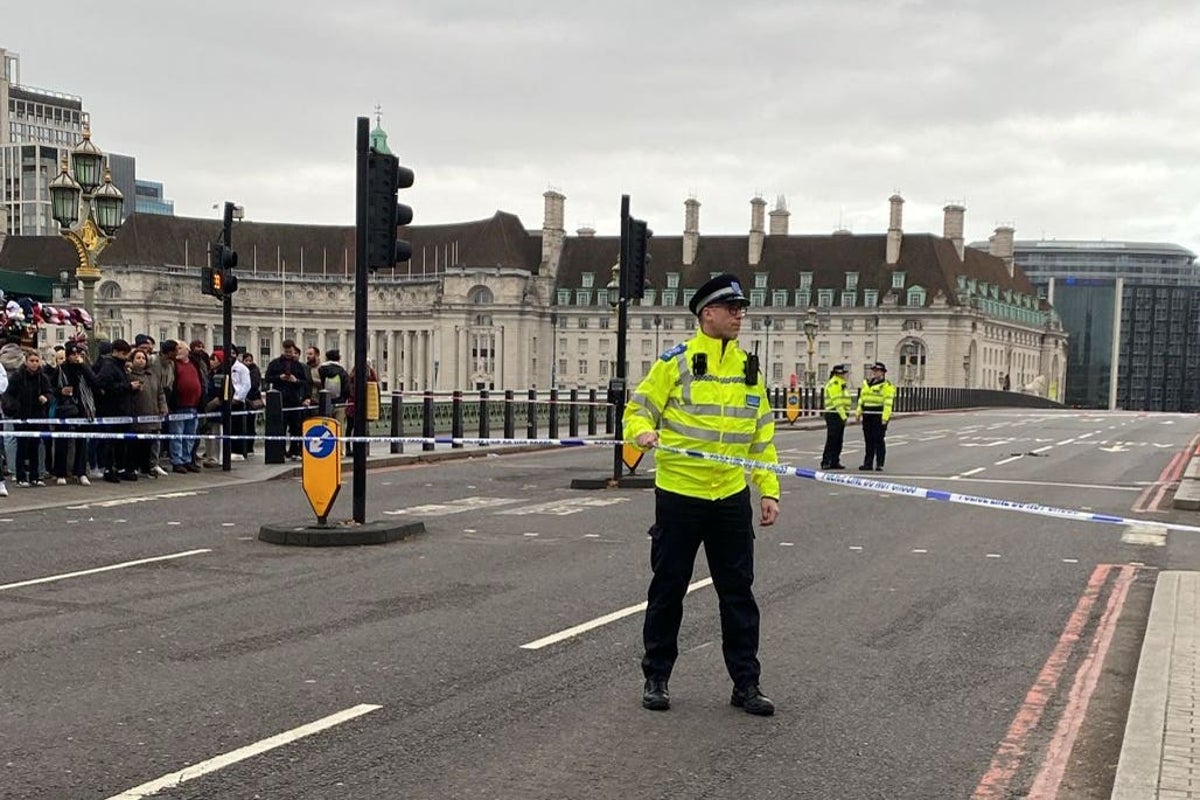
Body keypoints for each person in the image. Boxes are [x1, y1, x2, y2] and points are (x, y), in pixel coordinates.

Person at [623, 273, 780, 717]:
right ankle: (657, 676)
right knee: (668, 589)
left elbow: (761, 439)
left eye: (742, 309)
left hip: (730, 497)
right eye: (732, 309)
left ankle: (746, 684)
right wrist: (643, 431)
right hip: (680, 493)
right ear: (706, 313)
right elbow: (637, 410)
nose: (739, 316)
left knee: (738, 594)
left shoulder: (749, 369)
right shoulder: (674, 363)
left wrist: (768, 490)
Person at [265, 340, 310, 459]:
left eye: (291, 352)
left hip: (294, 399)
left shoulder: (298, 365)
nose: (289, 354)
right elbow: (268, 378)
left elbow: (305, 382)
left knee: (295, 427)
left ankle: (294, 450)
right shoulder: (275, 363)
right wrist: (279, 377)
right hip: (279, 399)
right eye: (287, 351)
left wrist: (296, 381)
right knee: (280, 426)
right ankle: (280, 450)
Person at [857, 361, 896, 471]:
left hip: (879, 414)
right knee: (868, 439)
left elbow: (888, 403)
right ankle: (868, 463)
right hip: (867, 414)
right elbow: (862, 399)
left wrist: (885, 418)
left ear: (883, 373)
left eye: (877, 371)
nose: (875, 373)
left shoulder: (886, 385)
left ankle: (879, 463)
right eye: (874, 371)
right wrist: (858, 411)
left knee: (878, 439)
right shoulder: (867, 383)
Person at [820, 364, 851, 470]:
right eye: (843, 373)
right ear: (838, 374)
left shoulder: (841, 384)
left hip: (839, 413)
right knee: (832, 439)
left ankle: (835, 460)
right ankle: (826, 461)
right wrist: (843, 415)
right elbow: (836, 400)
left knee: (838, 439)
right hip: (834, 414)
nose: (844, 375)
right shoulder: (834, 383)